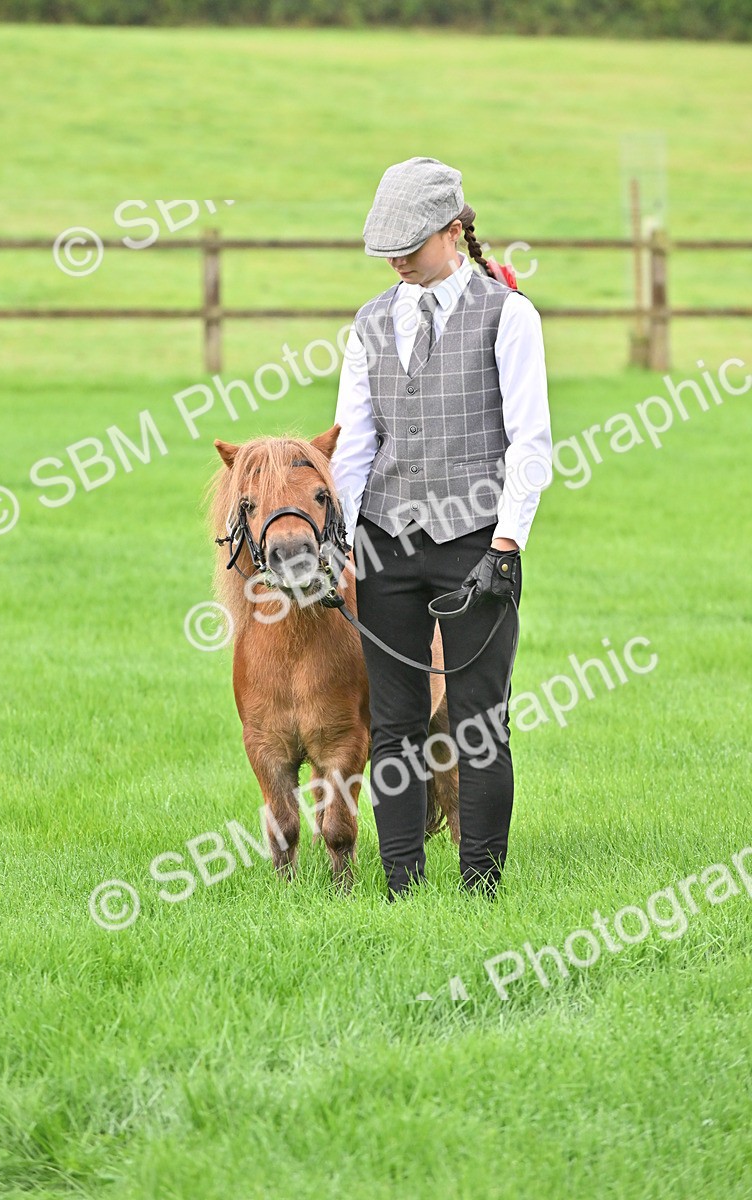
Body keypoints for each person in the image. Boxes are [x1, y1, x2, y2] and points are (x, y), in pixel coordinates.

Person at [330, 156, 553, 899]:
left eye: (411, 243)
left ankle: (481, 891)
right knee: (392, 728)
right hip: (385, 544)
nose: (396, 258)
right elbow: (357, 444)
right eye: (386, 246)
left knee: (480, 724)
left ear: (453, 231)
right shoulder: (366, 324)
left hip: (475, 547)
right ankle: (401, 889)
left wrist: (507, 545)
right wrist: (341, 543)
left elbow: (530, 442)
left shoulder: (507, 315)